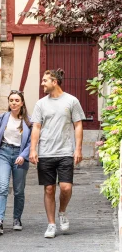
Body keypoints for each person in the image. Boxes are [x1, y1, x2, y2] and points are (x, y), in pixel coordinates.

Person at [29, 69, 85, 238]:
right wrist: (33, 149)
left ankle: (62, 211)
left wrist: (78, 148)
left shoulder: (71, 101)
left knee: (66, 187)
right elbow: (36, 127)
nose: (42, 83)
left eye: (45, 80)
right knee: (49, 189)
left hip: (65, 151)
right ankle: (51, 224)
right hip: (46, 152)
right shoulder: (40, 104)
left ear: (55, 82)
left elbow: (78, 125)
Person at [0, 90, 32, 235]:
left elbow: (32, 142)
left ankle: (17, 219)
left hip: (19, 155)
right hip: (4, 154)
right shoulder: (2, 118)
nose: (14, 103)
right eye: (11, 100)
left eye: (17, 100)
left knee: (19, 190)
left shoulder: (28, 122)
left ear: (22, 103)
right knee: (2, 187)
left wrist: (24, 155)